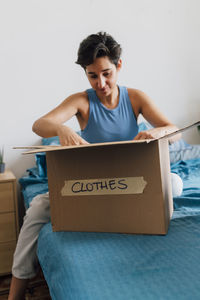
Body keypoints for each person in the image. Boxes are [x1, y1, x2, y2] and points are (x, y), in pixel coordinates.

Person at [8, 32, 182, 300]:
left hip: (133, 182)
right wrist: (60, 129)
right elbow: (39, 125)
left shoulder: (135, 97)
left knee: (175, 183)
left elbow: (175, 131)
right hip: (92, 185)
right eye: (92, 75)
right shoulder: (81, 101)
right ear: (85, 74)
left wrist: (158, 133)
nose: (101, 83)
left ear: (119, 66)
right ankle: (15, 294)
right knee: (38, 208)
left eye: (107, 73)